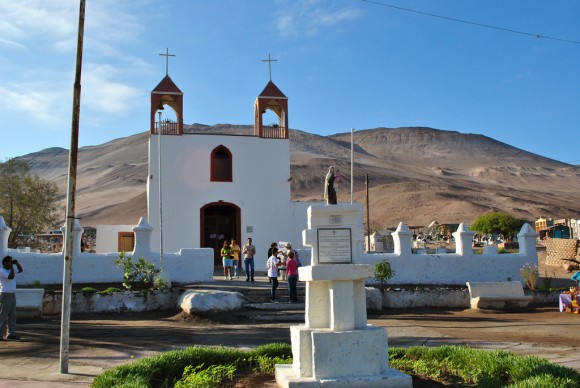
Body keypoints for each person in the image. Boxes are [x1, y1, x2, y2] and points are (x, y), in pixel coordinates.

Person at [0, 255, 23, 340]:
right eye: (10, 261)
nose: (11, 262)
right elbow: (11, 277)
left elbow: (20, 270)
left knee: (12, 315)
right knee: (3, 315)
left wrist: (16, 263)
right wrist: (12, 267)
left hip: (12, 294)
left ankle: (11, 333)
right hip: (5, 294)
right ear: (6, 263)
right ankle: (0, 334)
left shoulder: (10, 269)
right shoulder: (2, 271)